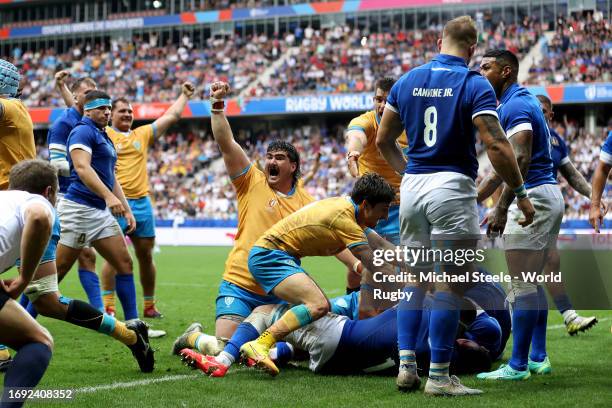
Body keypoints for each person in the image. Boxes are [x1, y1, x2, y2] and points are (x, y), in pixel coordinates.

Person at [376, 16, 533, 396]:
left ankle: (407, 366)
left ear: (438, 40)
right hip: (451, 185)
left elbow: (383, 141)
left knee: (414, 280)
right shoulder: (473, 82)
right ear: (473, 48)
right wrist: (521, 194)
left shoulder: (407, 80)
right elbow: (496, 144)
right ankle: (440, 377)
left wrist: (409, 172)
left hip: (413, 186)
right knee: (452, 283)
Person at [171, 81, 315, 357]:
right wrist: (216, 105)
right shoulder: (251, 181)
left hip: (279, 291)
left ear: (293, 166)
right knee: (225, 350)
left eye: (280, 158)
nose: (271, 161)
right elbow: (226, 143)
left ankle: (279, 349)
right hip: (239, 285)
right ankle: (194, 338)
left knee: (291, 345)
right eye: (269, 156)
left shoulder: (306, 204)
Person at [239, 173, 396, 377]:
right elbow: (375, 264)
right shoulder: (345, 218)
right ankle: (262, 343)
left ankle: (261, 347)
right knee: (318, 305)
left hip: (275, 254)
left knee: (320, 306)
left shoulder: (350, 211)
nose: (384, 217)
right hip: (269, 256)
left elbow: (384, 246)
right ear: (366, 205)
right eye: (383, 210)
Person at [9, 160, 155, 374]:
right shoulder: (44, 211)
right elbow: (39, 215)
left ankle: (129, 336)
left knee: (48, 304)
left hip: (84, 216)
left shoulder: (32, 212)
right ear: (49, 192)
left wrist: (23, 280)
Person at [477, 49, 563, 381]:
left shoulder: (514, 106)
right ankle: (538, 357)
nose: (481, 72)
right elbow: (506, 165)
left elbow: (521, 159)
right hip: (547, 195)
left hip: (535, 198)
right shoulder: (519, 101)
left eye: (487, 67)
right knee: (531, 284)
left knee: (521, 286)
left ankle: (517, 366)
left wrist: (500, 207)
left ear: (507, 71)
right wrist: (477, 198)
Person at [179, 296, 501, 379]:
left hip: (340, 336)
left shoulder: (427, 325)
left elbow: (478, 320)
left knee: (265, 311)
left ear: (460, 342)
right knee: (292, 345)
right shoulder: (427, 357)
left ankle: (222, 360)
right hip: (336, 361)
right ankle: (197, 340)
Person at [98, 82, 195, 319]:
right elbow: (78, 109)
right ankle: (108, 306)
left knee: (145, 256)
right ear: (110, 114)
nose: (128, 114)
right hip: (116, 203)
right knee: (115, 256)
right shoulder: (103, 133)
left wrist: (184, 95)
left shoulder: (142, 134)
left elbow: (171, 116)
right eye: (123, 111)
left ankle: (149, 305)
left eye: (130, 111)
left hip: (142, 203)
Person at [53, 91, 142, 332]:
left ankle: (135, 326)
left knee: (124, 263)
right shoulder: (82, 131)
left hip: (100, 212)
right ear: (88, 110)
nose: (106, 112)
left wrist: (125, 208)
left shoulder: (103, 136)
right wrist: (108, 196)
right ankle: (17, 321)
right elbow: (82, 168)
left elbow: (111, 175)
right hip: (78, 210)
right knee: (54, 276)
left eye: (108, 108)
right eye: (101, 108)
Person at [535, 94, 597, 335]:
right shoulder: (522, 132)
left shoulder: (556, 141)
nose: (539, 113)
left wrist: (594, 195)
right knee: (527, 272)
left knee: (550, 262)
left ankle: (569, 316)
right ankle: (510, 322)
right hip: (525, 206)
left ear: (551, 115)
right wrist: (501, 206)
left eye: (544, 110)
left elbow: (571, 174)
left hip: (546, 207)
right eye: (535, 109)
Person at [0, 160, 56, 407]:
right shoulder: (35, 201)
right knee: (38, 341)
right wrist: (24, 279)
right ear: (48, 191)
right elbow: (40, 217)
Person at [345, 77, 408, 294]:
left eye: (387, 101)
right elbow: (355, 134)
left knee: (399, 269)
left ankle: (398, 313)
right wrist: (353, 150)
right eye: (378, 99)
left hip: (399, 208)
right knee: (357, 266)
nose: (382, 105)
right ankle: (353, 312)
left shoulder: (411, 125)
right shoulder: (367, 121)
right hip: (367, 207)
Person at [50, 71, 102, 311]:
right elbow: (57, 164)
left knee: (86, 257)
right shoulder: (63, 124)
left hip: (82, 198)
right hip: (67, 198)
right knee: (55, 267)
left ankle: (99, 312)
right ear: (76, 97)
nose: (92, 98)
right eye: (86, 94)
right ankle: (23, 311)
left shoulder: (90, 123)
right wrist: (83, 172)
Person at [0, 58, 38, 370]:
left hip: (9, 203)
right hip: (22, 203)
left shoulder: (8, 109)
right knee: (45, 293)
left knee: (46, 295)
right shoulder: (18, 109)